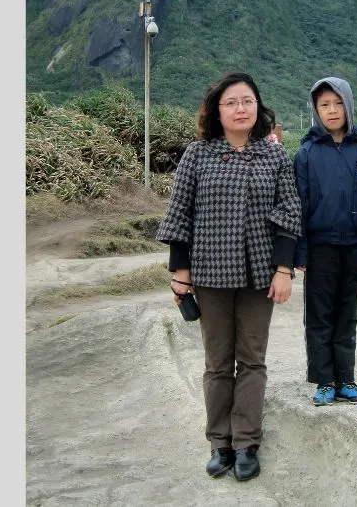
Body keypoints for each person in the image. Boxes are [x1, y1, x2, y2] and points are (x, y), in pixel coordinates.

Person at [155, 72, 303, 482]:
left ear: (259, 108)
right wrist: (180, 274)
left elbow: (290, 212)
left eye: (248, 101)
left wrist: (284, 269)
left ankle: (247, 442)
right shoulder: (197, 154)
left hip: (260, 276)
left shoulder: (274, 156)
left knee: (252, 361)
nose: (241, 108)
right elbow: (180, 213)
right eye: (232, 102)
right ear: (217, 111)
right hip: (209, 273)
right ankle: (220, 441)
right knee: (217, 362)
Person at [293, 76, 357, 406]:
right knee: (319, 316)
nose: (331, 111)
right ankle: (324, 381)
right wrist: (299, 251)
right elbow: (299, 207)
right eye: (324, 105)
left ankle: (346, 379)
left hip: (353, 248)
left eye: (337, 103)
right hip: (319, 248)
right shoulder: (306, 153)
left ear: (348, 105)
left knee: (347, 314)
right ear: (316, 110)